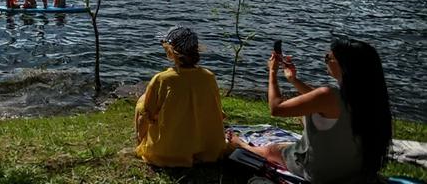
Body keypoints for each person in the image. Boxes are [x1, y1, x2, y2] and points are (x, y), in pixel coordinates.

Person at [228, 39, 392, 183]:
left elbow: (276, 108)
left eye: (328, 58)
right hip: (353, 168)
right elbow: (321, 102)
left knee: (274, 150)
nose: (325, 61)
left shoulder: (328, 95)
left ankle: (241, 145)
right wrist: (293, 80)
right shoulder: (369, 97)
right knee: (292, 144)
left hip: (322, 173)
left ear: (343, 65)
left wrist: (272, 72)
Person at [135, 26, 225, 167]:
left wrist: (142, 137)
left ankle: (141, 143)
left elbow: (146, 115)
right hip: (207, 150)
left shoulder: (162, 79)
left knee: (142, 103)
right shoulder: (209, 77)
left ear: (171, 52)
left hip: (166, 153)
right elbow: (216, 111)